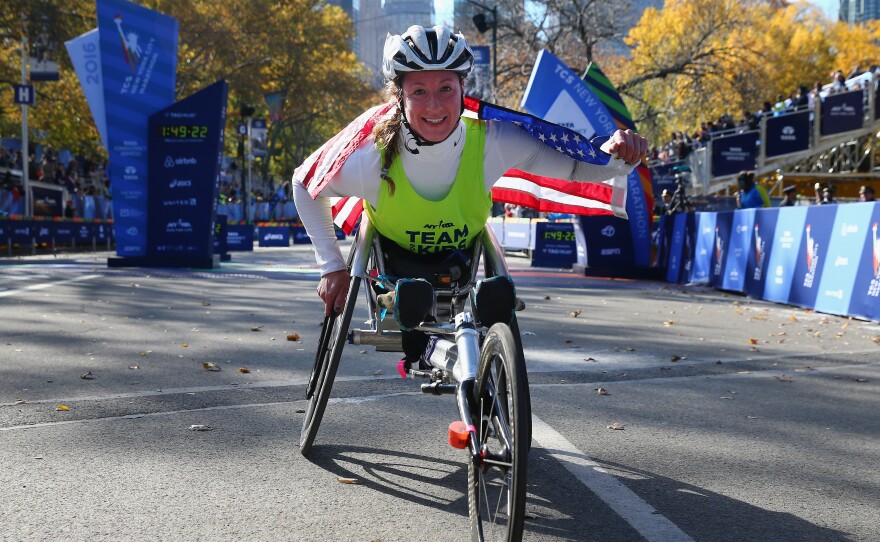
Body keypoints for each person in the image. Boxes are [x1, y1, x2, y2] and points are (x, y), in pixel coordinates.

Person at [293, 25, 647, 361]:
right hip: (393, 268)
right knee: (411, 299)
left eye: (446, 88)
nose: (434, 106)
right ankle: (415, 326)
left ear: (464, 90)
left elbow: (572, 167)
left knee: (498, 299)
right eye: (419, 91)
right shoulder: (370, 156)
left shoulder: (495, 141)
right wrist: (331, 267)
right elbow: (304, 183)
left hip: (459, 261)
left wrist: (619, 157)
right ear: (399, 98)